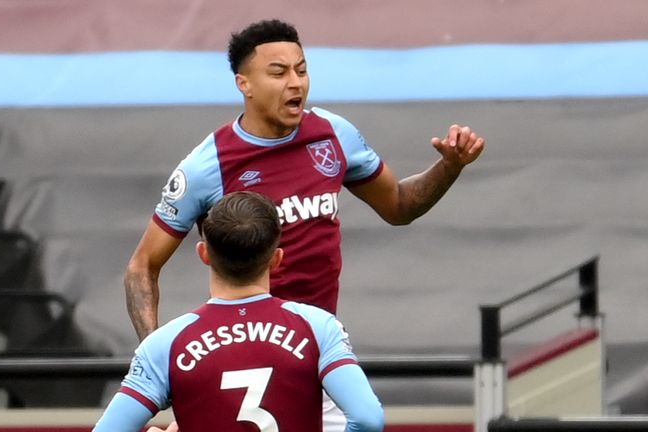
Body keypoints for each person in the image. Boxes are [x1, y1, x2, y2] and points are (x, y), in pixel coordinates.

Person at [124, 18, 485, 431]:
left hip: (314, 353)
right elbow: (141, 267)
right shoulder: (207, 166)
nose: (295, 82)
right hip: (236, 360)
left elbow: (399, 206)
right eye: (278, 72)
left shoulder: (333, 135)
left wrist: (450, 167)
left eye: (301, 69)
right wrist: (154, 364)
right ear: (244, 84)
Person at [95, 191, 384, 432]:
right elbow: (368, 419)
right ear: (277, 259)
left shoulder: (166, 344)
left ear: (203, 253)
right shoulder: (318, 327)